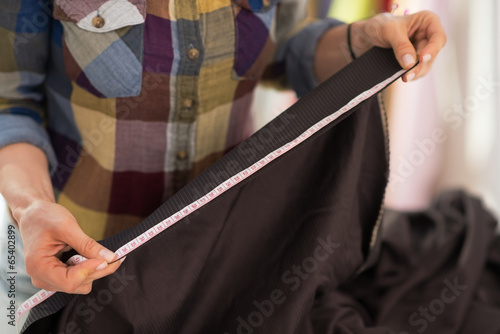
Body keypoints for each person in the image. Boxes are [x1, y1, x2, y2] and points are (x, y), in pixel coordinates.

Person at [0, 0, 445, 322]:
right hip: (76, 268)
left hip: (219, 257)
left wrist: (361, 39)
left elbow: (287, 49)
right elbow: (9, 103)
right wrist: (30, 207)